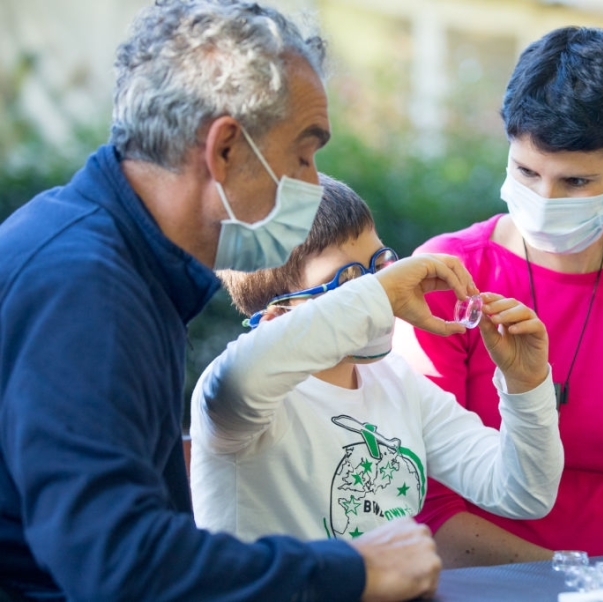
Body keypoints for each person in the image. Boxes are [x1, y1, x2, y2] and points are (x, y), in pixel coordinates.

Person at [0, 2, 462, 600]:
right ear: (224, 150)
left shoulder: (115, 256)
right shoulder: (87, 290)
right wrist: (354, 570)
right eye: (303, 153)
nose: (313, 180)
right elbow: (116, 561)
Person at [395, 26, 603, 567]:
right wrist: (574, 581)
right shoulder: (446, 276)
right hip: (485, 582)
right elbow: (424, 500)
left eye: (575, 182)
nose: (543, 199)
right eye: (526, 171)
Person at [189, 174, 563, 545]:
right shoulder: (243, 401)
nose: (384, 292)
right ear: (277, 318)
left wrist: (525, 385)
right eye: (350, 280)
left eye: (381, 264)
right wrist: (379, 292)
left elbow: (522, 493)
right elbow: (239, 382)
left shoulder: (395, 379)